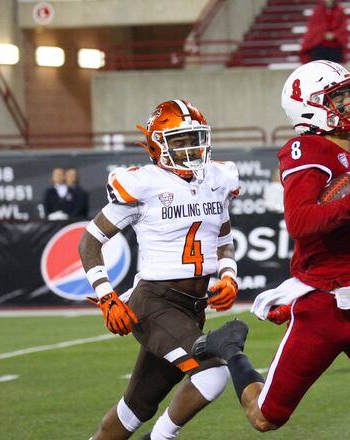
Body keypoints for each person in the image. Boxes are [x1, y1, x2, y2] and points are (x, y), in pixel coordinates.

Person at [192, 61, 350, 439]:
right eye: (339, 96)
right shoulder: (306, 149)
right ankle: (230, 350)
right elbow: (301, 223)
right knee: (266, 419)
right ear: (310, 106)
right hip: (325, 307)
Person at [78, 99, 241, 440]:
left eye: (195, 138)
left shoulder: (217, 178)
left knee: (133, 411)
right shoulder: (144, 184)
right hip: (154, 304)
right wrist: (107, 296)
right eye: (180, 142)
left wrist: (229, 274)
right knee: (213, 376)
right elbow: (90, 241)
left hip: (192, 309)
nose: (191, 148)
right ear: (156, 145)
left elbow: (223, 238)